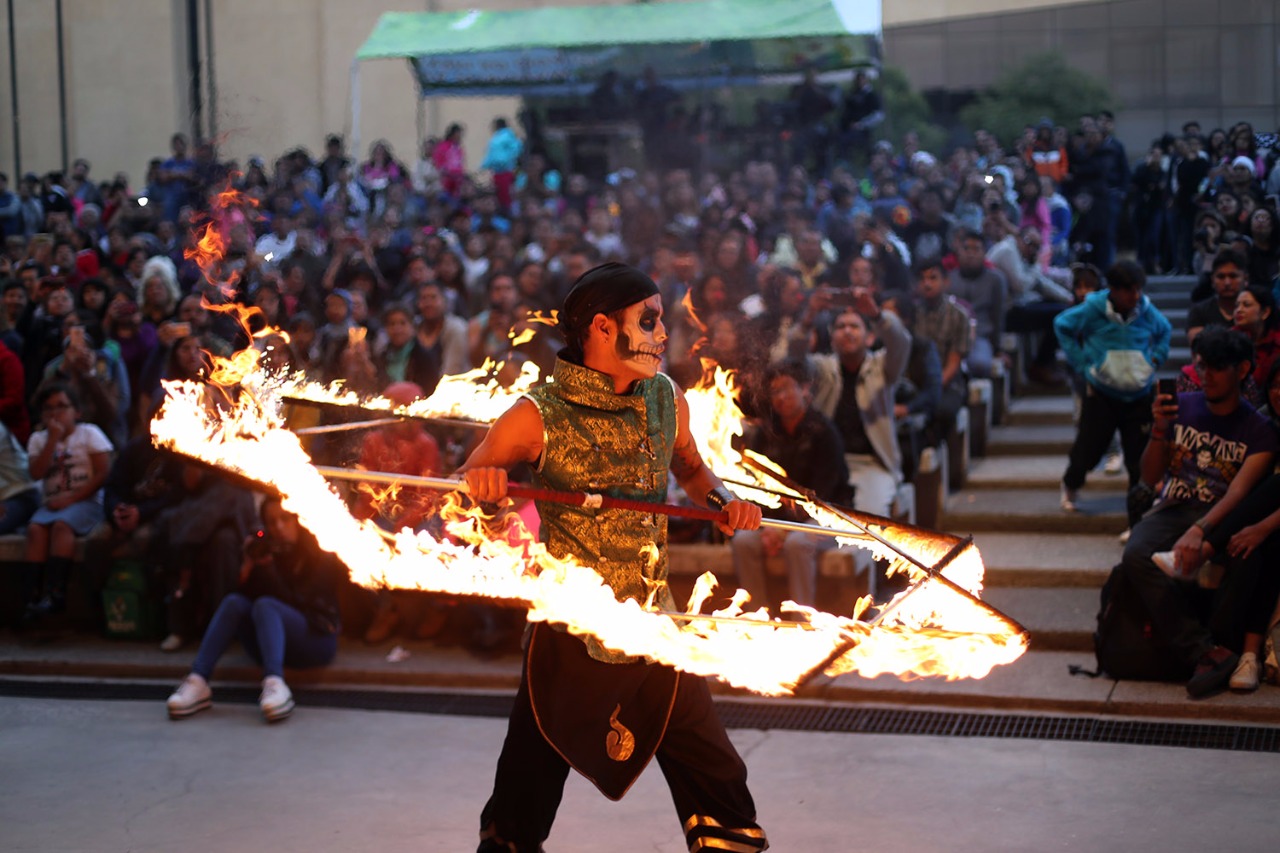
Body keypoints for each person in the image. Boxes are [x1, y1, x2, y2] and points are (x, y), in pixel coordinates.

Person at [460, 262, 767, 853]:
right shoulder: (534, 415)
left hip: (655, 629)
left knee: (722, 784)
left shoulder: (666, 398)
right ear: (601, 327)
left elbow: (693, 470)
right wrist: (490, 496)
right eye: (648, 320)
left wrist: (725, 502)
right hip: (569, 635)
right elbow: (471, 487)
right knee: (519, 807)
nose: (662, 333)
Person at [1119, 327, 1277, 698]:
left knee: (1245, 560)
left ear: (1241, 370)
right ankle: (1206, 651)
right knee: (1136, 555)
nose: (1206, 376)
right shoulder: (1182, 407)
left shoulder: (1260, 431)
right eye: (1202, 367)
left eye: (1217, 368)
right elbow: (1149, 476)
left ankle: (1223, 647)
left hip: (1221, 517)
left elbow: (1239, 494)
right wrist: (1159, 429)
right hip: (1173, 508)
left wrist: (1202, 531)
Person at [165, 495, 344, 722]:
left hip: (315, 640)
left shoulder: (322, 552)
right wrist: (248, 569)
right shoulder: (265, 551)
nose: (278, 527)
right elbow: (237, 608)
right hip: (270, 642)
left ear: (300, 519)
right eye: (271, 521)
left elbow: (301, 603)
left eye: (285, 518)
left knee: (266, 605)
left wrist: (269, 572)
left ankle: (275, 684)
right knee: (234, 602)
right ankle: (198, 680)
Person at [809, 287, 911, 591]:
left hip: (872, 463)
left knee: (867, 525)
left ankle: (865, 598)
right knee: (815, 529)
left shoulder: (882, 367)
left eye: (855, 326)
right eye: (840, 327)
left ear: (868, 336)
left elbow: (901, 342)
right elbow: (792, 359)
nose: (847, 332)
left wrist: (877, 314)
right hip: (829, 467)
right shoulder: (823, 369)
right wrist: (808, 317)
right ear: (832, 336)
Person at [730, 358, 848, 611]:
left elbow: (824, 495)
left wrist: (783, 530)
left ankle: (802, 619)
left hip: (825, 519)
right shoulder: (767, 433)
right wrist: (769, 525)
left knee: (798, 543)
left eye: (786, 388)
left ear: (804, 389)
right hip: (779, 519)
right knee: (743, 540)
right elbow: (758, 487)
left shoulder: (824, 431)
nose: (781, 397)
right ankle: (756, 615)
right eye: (774, 392)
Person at [1054, 261, 1171, 511]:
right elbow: (1062, 325)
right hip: (1102, 392)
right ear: (1114, 290)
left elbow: (1165, 331)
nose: (1135, 296)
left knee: (1137, 458)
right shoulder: (1093, 309)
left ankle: (1137, 512)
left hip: (1140, 393)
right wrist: (1083, 363)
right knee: (1088, 450)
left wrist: (1155, 359)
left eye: (1138, 289)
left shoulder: (1146, 310)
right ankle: (1070, 484)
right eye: (1129, 290)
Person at [21, 383, 112, 621]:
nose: (55, 413)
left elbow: (104, 472)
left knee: (61, 526)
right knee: (35, 529)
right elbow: (36, 473)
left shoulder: (89, 433)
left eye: (62, 406)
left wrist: (71, 499)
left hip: (87, 502)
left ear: (77, 411)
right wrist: (52, 440)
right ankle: (32, 597)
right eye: (48, 408)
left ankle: (55, 595)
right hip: (51, 503)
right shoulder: (38, 439)